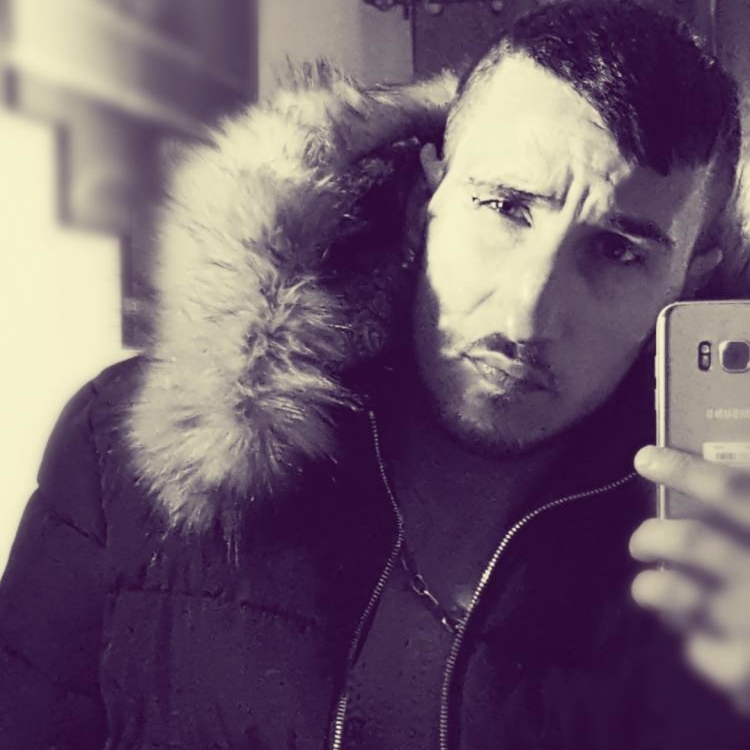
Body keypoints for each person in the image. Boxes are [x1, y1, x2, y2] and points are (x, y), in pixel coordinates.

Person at [3, 2, 750, 748]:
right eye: (505, 207)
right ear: (429, 198)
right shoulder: (124, 445)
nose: (529, 312)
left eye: (619, 251)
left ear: (688, 280)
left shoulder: (712, 537)